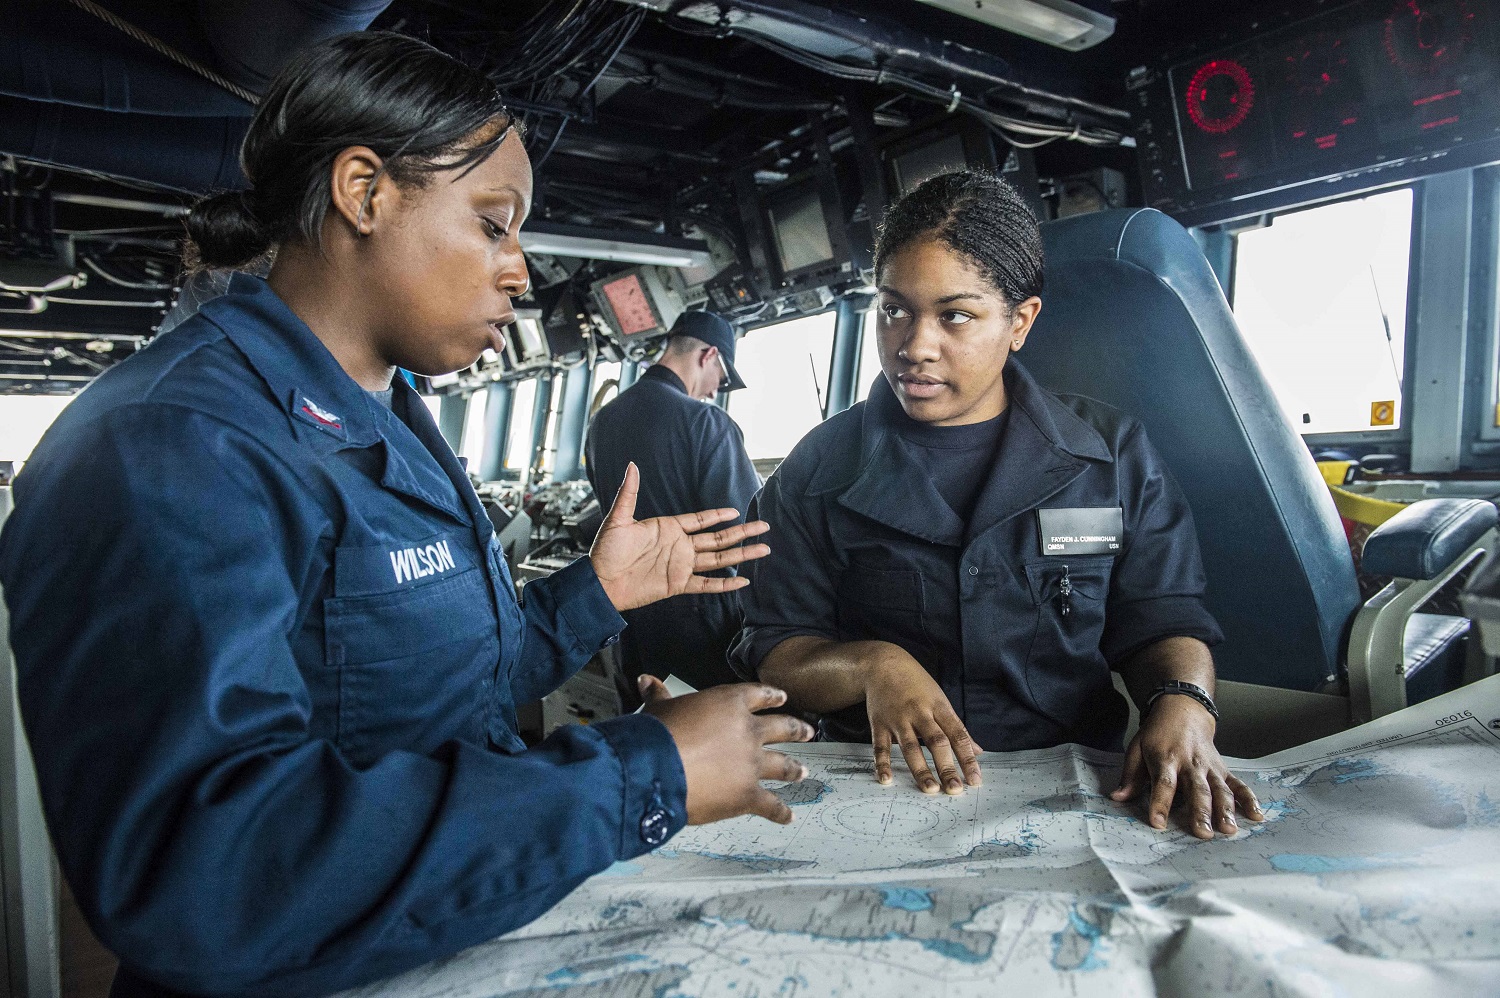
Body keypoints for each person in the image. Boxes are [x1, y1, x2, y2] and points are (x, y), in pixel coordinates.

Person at [0, 33, 813, 998]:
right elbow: (206, 873)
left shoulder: (392, 419)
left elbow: (446, 685)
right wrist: (642, 774)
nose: (520, 271)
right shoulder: (169, 443)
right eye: (494, 223)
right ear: (364, 191)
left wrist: (597, 592)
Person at [731, 171, 1263, 840]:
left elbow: (1162, 621)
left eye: (955, 315)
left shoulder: (1111, 455)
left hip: (1074, 784)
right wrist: (872, 665)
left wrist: (1185, 705)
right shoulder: (815, 471)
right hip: (879, 785)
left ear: (1020, 322)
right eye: (894, 309)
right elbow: (777, 649)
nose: (914, 345)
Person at [586, 311, 760, 705]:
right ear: (708, 355)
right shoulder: (705, 422)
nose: (716, 391)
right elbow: (750, 527)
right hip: (701, 628)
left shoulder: (601, 423)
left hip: (626, 623)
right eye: (723, 376)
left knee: (644, 739)